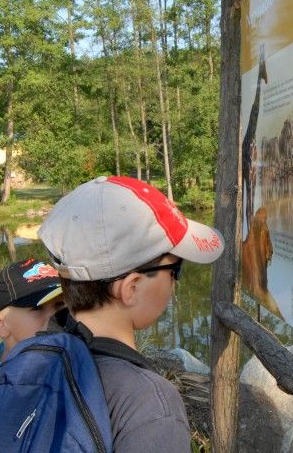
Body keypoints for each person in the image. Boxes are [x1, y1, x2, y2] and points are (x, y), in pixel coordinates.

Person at [38, 175, 224, 452]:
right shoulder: (152, 405)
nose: (174, 283)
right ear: (131, 288)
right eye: (175, 270)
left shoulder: (27, 359)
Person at [0, 258, 65, 399]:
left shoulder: (63, 355)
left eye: (59, 305)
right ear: (0, 325)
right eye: (38, 308)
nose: (55, 316)